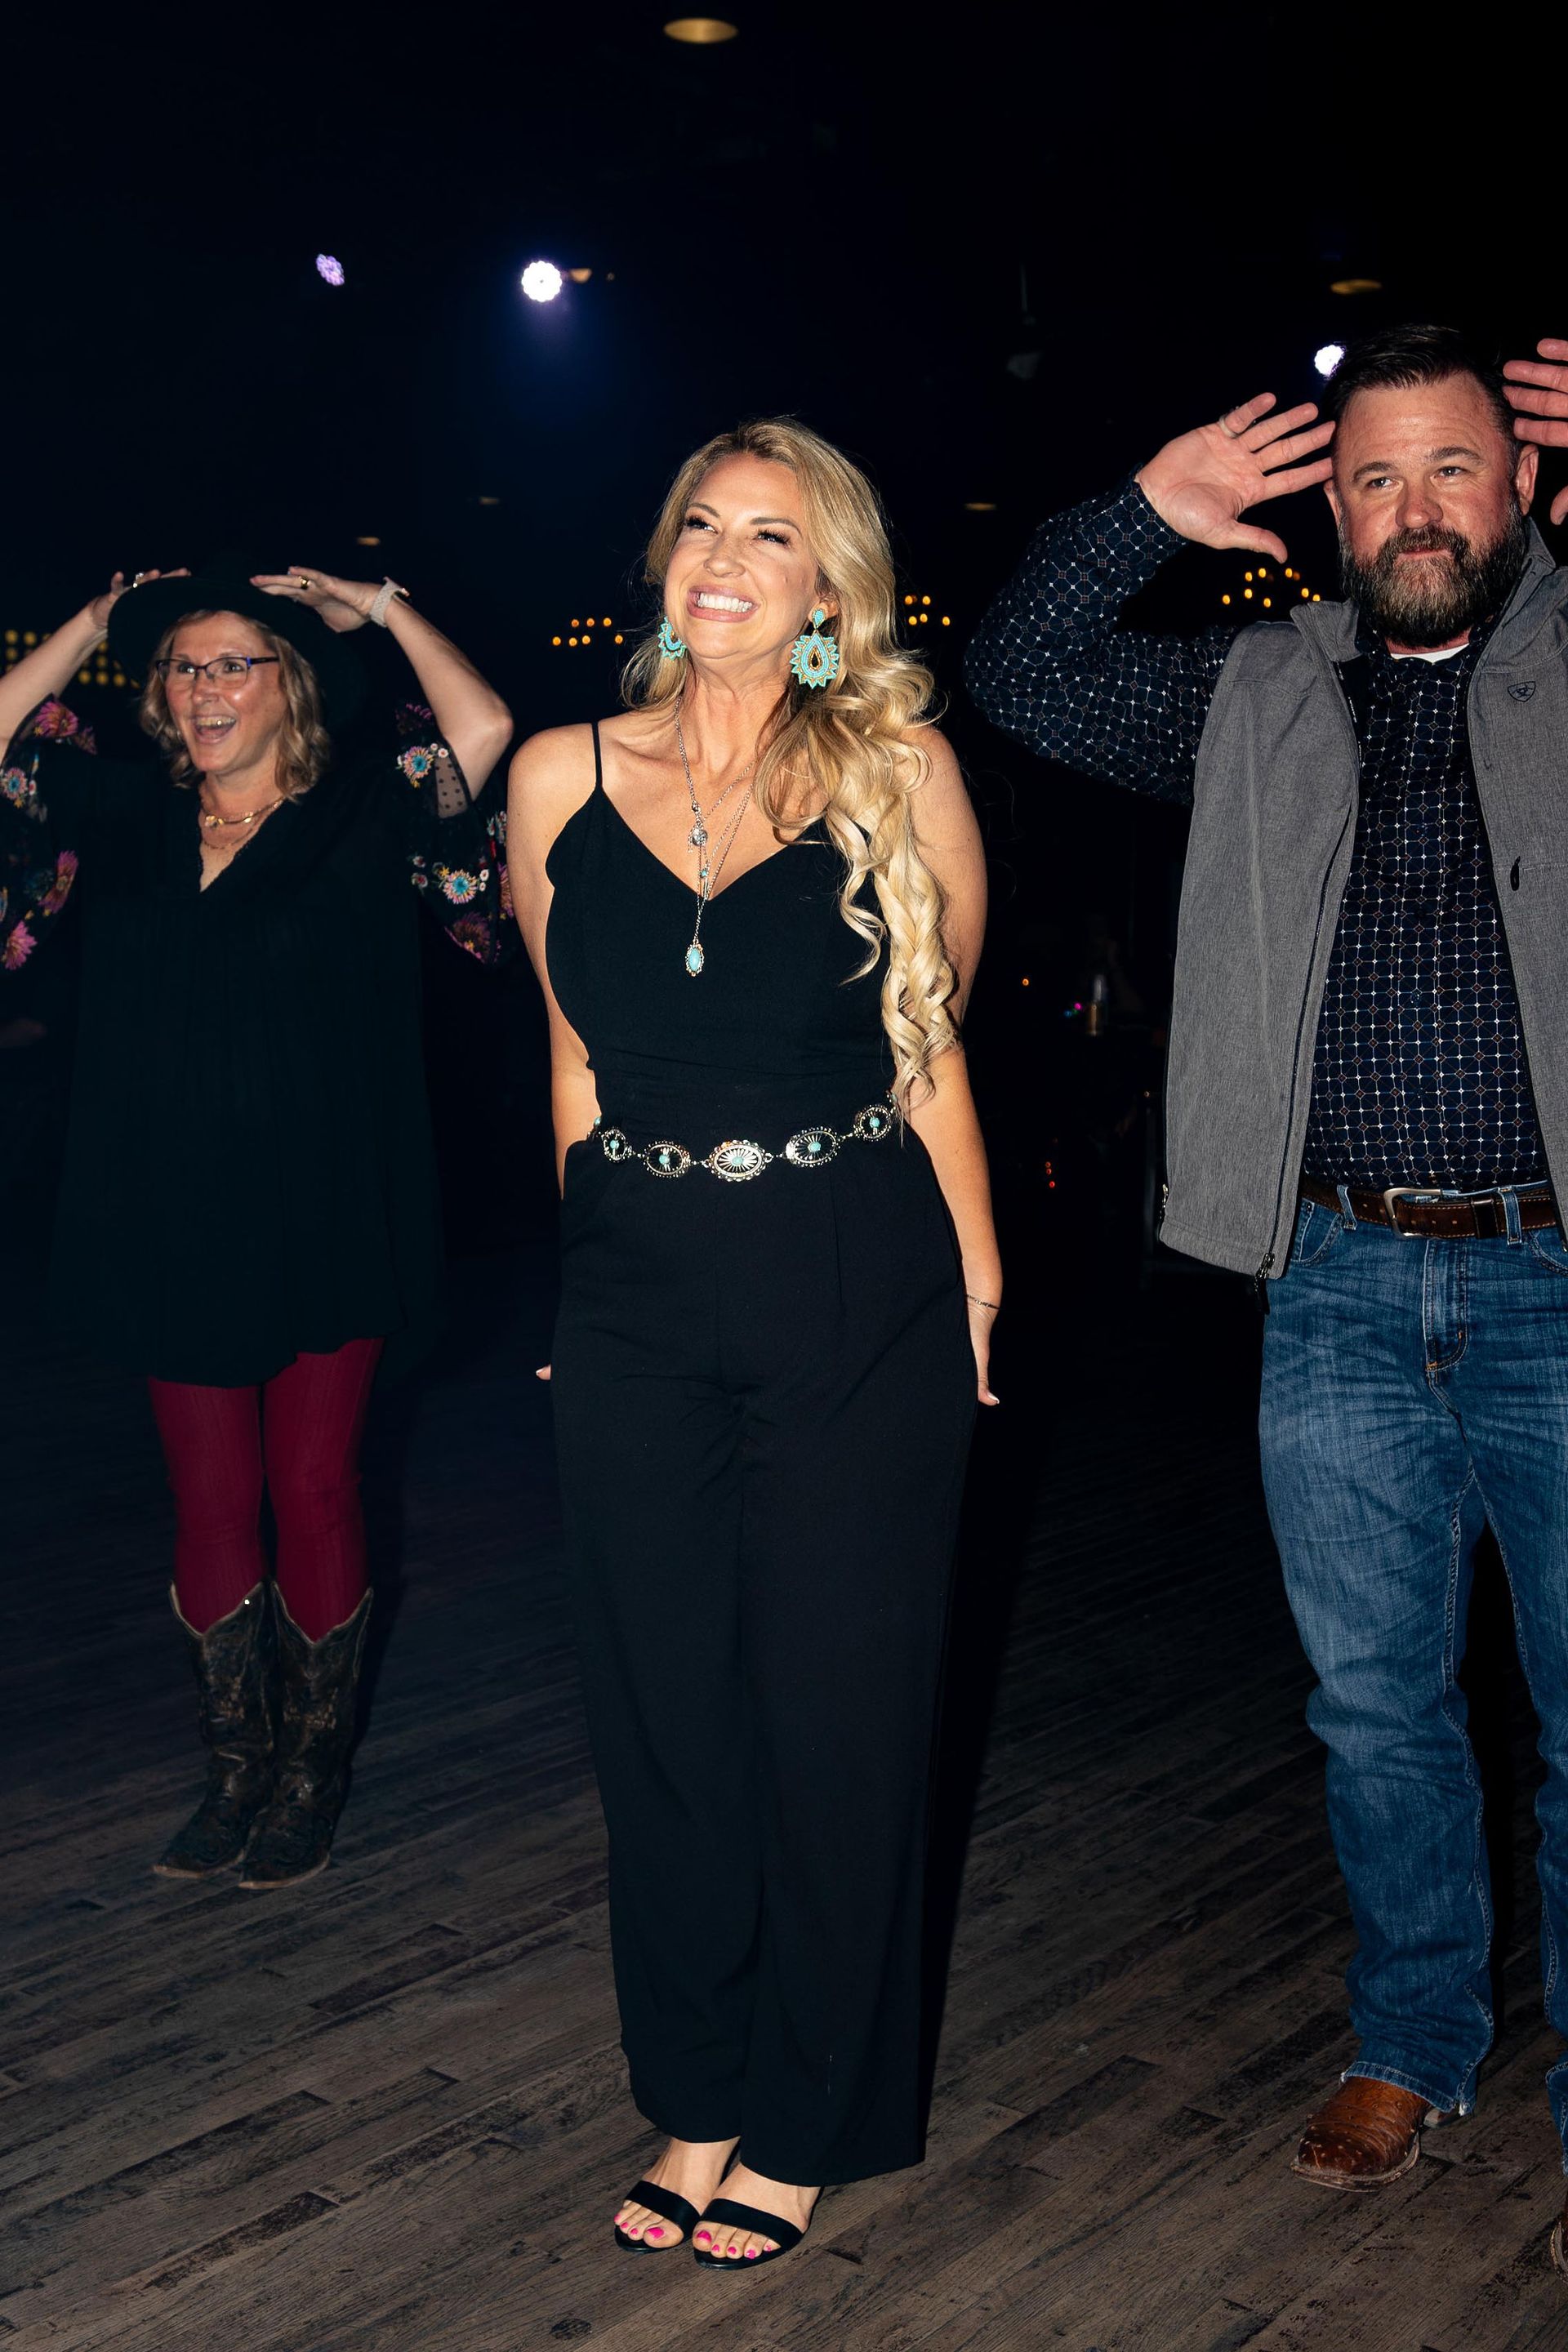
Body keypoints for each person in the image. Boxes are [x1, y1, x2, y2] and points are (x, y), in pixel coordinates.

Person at [966, 323, 1568, 2266]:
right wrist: (1143, 512)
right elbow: (1019, 673)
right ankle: (1413, 2037)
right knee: (1374, 1704)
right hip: (1331, 1276)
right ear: (1328, 510)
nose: (1414, 508)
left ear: (1526, 484)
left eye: (1452, 467)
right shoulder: (1252, 688)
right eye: (1375, 475)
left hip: (1564, 1272)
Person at [508, 420, 996, 2270]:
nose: (720, 557)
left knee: (835, 1714)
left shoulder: (895, 766)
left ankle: (808, 2110)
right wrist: (584, 1271)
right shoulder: (563, 768)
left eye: (768, 535)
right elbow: (567, 1055)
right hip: (637, 1275)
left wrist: (977, 1285)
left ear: (826, 591)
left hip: (848, 1262)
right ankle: (697, 2091)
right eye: (699, 525)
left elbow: (932, 1046)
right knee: (664, 1721)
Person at [0, 561, 511, 1888]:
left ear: (294, 684)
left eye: (238, 662)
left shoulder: (363, 810)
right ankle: (233, 1770)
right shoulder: (124, 814)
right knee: (212, 1497)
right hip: (166, 1218)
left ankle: (308, 1779)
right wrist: (98, 621)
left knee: (316, 1486)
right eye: (185, 665)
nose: (205, 686)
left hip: (333, 1213)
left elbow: (488, 730)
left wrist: (389, 606)